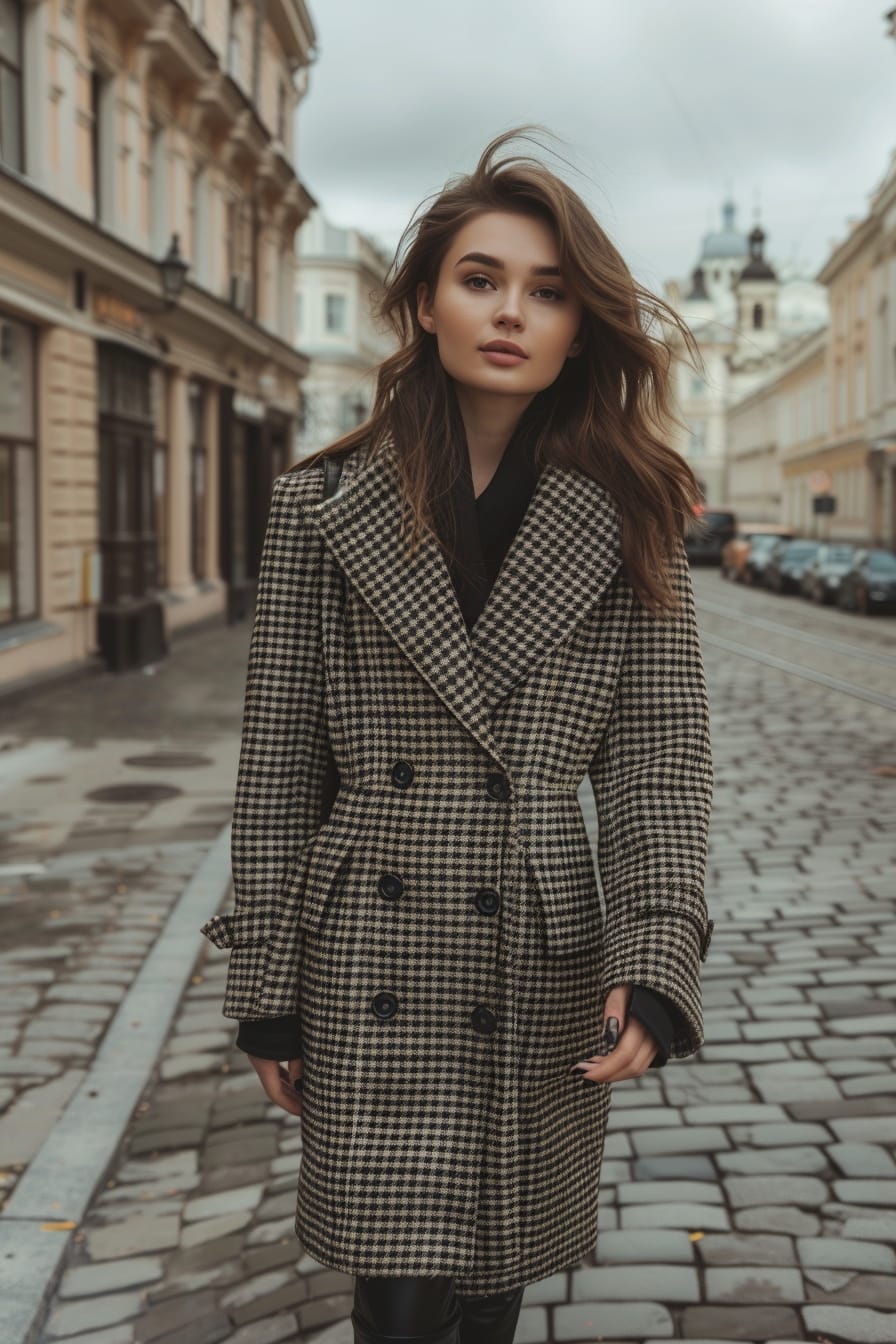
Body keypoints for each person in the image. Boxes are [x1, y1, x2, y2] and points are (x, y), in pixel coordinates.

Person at [201, 125, 715, 1344]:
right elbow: (278, 761)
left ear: (578, 328)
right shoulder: (320, 506)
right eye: (479, 279)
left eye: (545, 293)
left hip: (532, 946)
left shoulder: (632, 512)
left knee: (491, 1275)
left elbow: (655, 759)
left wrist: (654, 949)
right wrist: (266, 986)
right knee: (393, 1291)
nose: (509, 313)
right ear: (424, 301)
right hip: (365, 944)